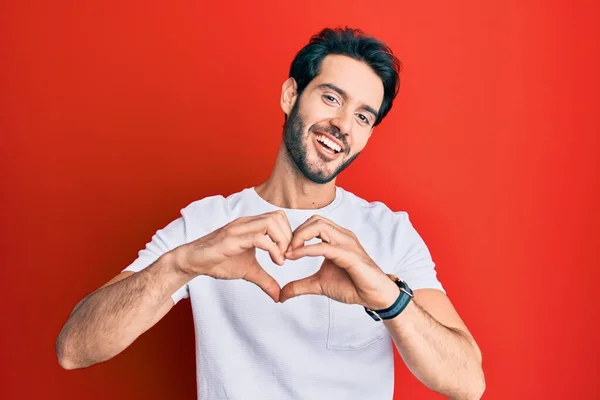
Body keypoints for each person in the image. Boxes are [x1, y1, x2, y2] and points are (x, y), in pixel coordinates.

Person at [56, 27, 485, 399]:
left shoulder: (390, 234)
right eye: (331, 97)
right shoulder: (207, 223)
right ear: (290, 94)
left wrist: (386, 297)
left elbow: (468, 383)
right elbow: (74, 348)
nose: (342, 124)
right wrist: (180, 264)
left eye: (362, 116)